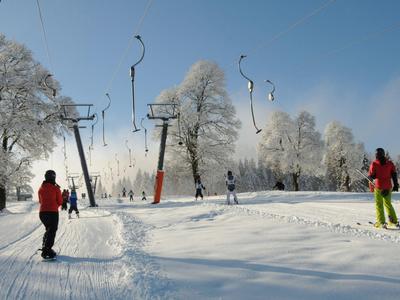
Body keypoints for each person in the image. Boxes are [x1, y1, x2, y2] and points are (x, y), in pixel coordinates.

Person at [368, 147, 400, 229]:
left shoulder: (374, 164)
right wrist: (396, 184)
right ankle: (393, 221)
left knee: (379, 204)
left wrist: (371, 178)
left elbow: (372, 176)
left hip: (378, 187)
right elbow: (394, 174)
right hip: (388, 187)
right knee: (388, 204)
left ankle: (381, 222)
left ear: (376, 155)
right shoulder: (390, 163)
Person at [38, 170, 63, 259]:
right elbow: (60, 201)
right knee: (52, 230)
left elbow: (40, 201)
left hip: (42, 213)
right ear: (54, 177)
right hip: (52, 212)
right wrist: (54, 205)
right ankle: (47, 250)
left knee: (49, 229)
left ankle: (45, 246)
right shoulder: (56, 188)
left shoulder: (41, 188)